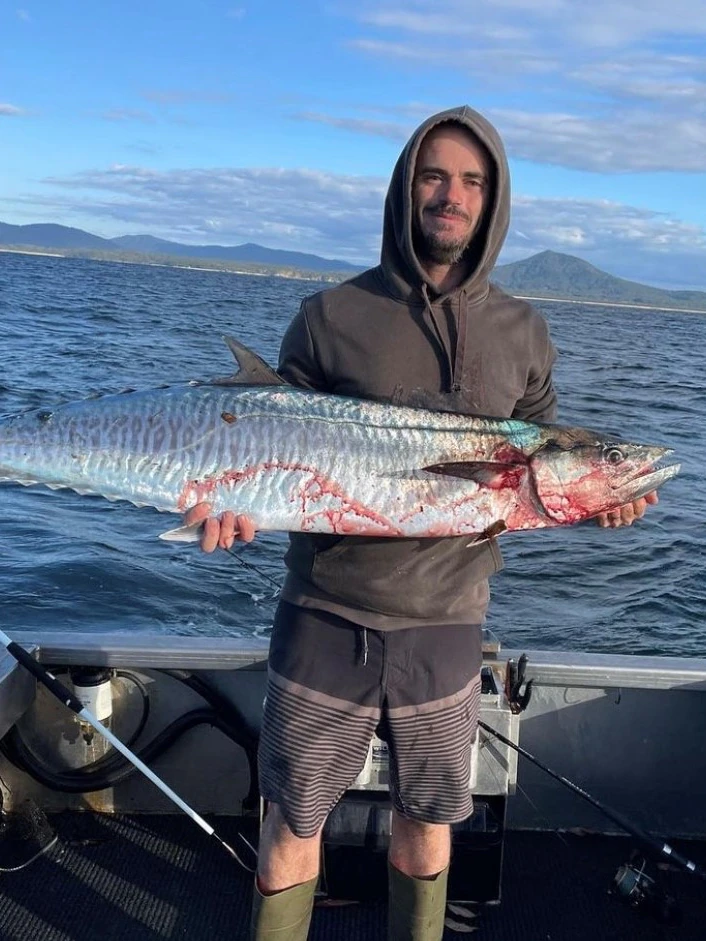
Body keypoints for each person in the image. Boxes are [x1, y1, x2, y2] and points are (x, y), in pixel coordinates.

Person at [185, 105, 657, 941]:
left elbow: (548, 461)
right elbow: (268, 437)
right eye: (435, 175)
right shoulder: (330, 314)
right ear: (407, 187)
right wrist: (233, 506)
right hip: (325, 616)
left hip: (448, 626)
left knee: (428, 821)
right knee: (292, 822)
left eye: (473, 180)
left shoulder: (525, 331)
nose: (453, 194)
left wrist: (599, 499)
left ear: (494, 199)